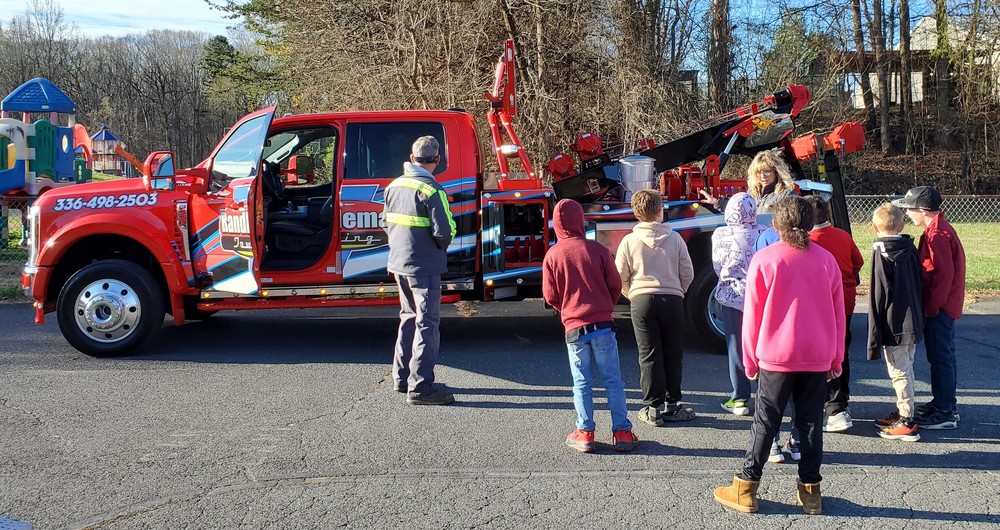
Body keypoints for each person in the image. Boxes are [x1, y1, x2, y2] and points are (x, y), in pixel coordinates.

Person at [713, 196, 844, 515]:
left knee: (765, 422)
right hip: (816, 355)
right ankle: (810, 493)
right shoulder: (827, 260)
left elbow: (752, 316)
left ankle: (746, 487)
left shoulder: (765, 259)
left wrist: (750, 360)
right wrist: (836, 358)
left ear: (776, 223)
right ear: (811, 222)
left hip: (775, 356)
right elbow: (839, 315)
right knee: (811, 423)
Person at [543, 198, 638, 453]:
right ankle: (623, 432)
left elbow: (550, 295)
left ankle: (585, 432)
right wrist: (606, 303)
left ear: (557, 224)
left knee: (581, 382)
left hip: (574, 328)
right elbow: (615, 284)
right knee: (613, 380)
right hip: (603, 325)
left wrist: (565, 309)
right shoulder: (598, 250)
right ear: (580, 221)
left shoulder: (553, 254)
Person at [384, 136, 457, 406]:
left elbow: (385, 222)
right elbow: (445, 231)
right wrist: (437, 247)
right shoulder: (432, 190)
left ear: (412, 157)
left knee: (408, 317)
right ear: (437, 160)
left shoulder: (393, 186)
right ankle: (421, 387)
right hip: (424, 265)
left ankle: (401, 378)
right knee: (427, 323)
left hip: (399, 263)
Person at [615, 189, 695, 426]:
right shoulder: (676, 238)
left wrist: (632, 294)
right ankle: (673, 404)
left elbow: (620, 275)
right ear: (661, 211)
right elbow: (687, 272)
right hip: (671, 299)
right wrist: (678, 290)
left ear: (636, 213)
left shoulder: (629, 240)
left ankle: (652, 407)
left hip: (641, 300)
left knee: (648, 353)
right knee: (673, 353)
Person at [893, 186, 966, 430]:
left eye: (909, 209)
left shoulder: (937, 236)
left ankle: (946, 411)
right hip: (942, 306)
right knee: (941, 357)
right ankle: (943, 403)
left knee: (941, 357)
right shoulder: (934, 230)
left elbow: (943, 277)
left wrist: (932, 309)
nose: (907, 214)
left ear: (921, 210)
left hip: (941, 308)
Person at [804, 195, 864, 433]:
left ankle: (829, 405)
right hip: (845, 303)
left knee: (820, 356)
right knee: (842, 353)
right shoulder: (843, 236)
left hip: (818, 306)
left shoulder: (809, 241)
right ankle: (839, 405)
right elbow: (857, 263)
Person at [867, 203, 924, 442]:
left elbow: (879, 293)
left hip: (894, 322)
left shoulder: (880, 253)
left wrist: (874, 331)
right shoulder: (911, 249)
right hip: (913, 319)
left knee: (899, 371)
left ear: (874, 227)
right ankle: (904, 410)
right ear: (902, 225)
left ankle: (908, 419)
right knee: (906, 366)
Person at [710, 192, 766, 418]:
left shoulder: (720, 233)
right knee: (760, 345)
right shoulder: (764, 232)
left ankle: (740, 397)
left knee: (736, 347)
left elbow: (717, 264)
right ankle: (765, 394)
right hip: (760, 297)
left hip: (732, 296)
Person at [700, 150, 797, 214]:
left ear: (776, 172)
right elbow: (741, 211)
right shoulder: (752, 193)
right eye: (758, 172)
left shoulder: (786, 194)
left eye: (767, 171)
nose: (762, 176)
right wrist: (717, 202)